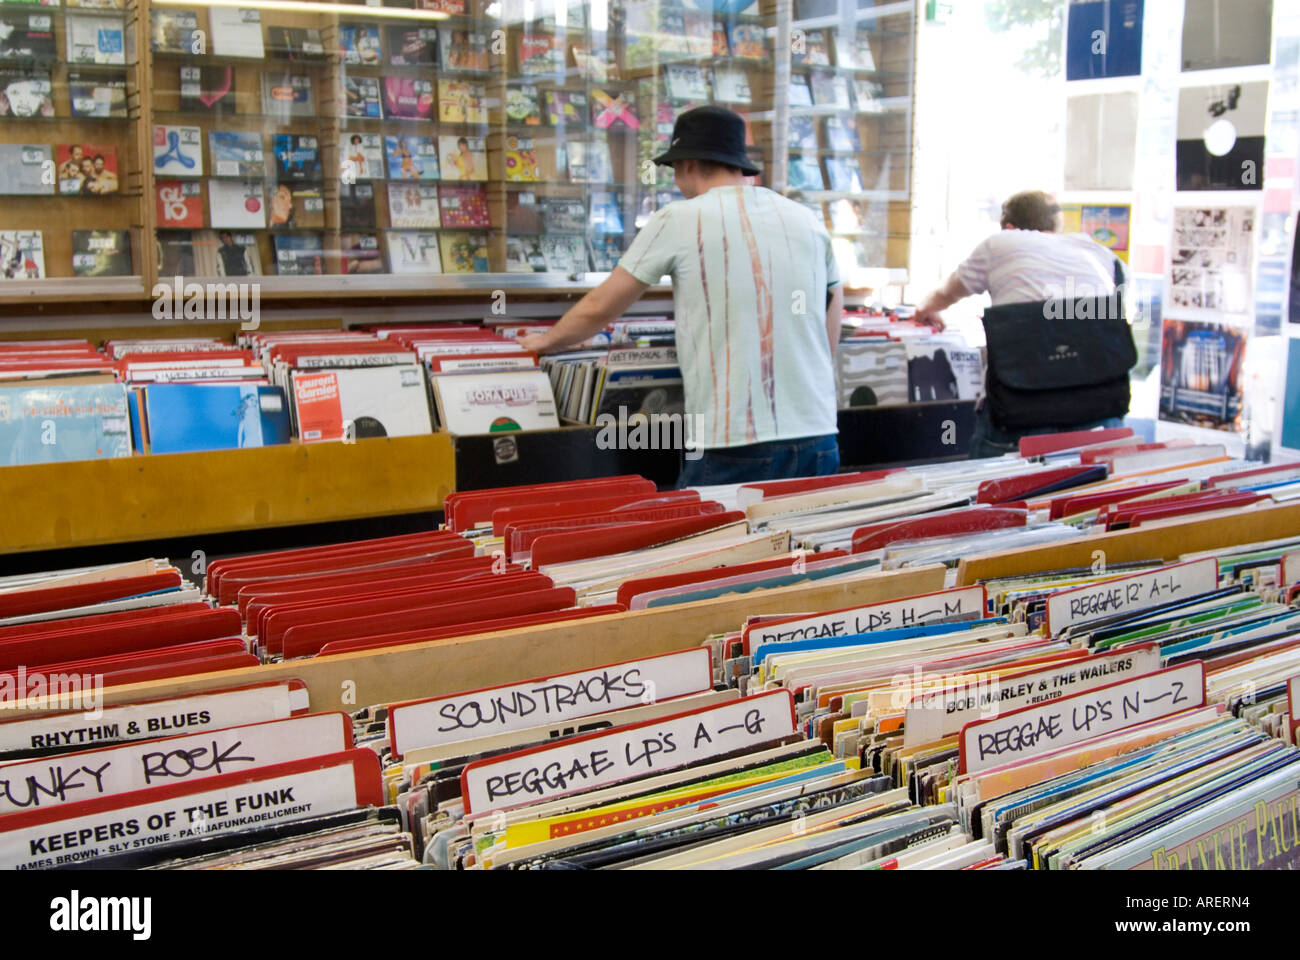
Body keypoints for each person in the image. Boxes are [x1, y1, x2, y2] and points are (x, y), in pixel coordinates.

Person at [517, 105, 842, 487]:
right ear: (739, 165)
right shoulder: (805, 220)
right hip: (819, 433)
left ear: (687, 165)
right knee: (801, 546)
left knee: (713, 546)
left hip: (733, 440)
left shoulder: (680, 218)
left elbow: (601, 304)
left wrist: (544, 341)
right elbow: (831, 312)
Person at [911, 190, 1126, 458]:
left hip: (1022, 413)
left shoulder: (1002, 243)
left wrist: (925, 309)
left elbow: (946, 293)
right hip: (1100, 416)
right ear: (1055, 227)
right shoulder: (1098, 252)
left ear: (1010, 228)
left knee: (988, 491)